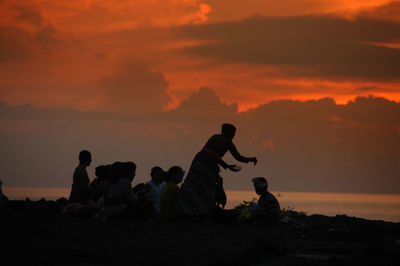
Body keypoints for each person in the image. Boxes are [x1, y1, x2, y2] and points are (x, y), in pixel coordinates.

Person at [176, 123, 257, 217]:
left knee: (193, 184)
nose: (233, 136)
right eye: (233, 134)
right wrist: (250, 159)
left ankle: (186, 208)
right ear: (231, 133)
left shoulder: (214, 137)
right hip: (207, 164)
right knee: (206, 188)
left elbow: (213, 154)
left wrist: (227, 166)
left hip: (199, 160)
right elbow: (237, 157)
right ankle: (202, 212)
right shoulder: (228, 142)